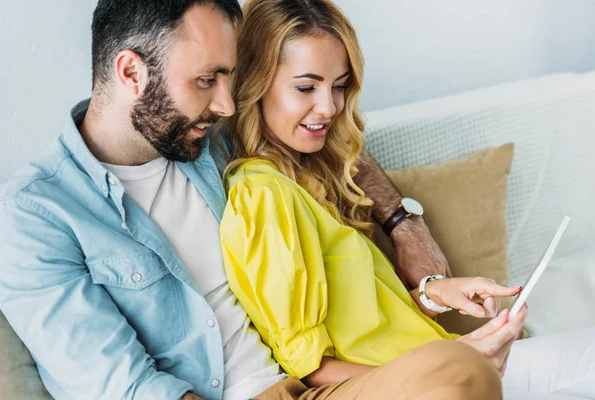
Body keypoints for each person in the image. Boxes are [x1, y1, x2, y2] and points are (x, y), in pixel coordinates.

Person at [0, 1, 501, 399]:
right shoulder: (35, 217)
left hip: (306, 387)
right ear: (130, 72)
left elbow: (328, 135)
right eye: (206, 79)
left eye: (229, 78)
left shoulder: (209, 139)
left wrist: (403, 225)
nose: (225, 103)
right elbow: (125, 388)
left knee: (456, 370)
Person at [219, 0, 595, 399]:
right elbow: (311, 368)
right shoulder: (262, 196)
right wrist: (444, 369)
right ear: (255, 84)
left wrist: (437, 293)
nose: (329, 108)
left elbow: (368, 326)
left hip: (443, 365)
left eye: (340, 85)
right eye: (306, 87)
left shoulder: (308, 183)